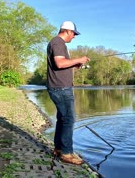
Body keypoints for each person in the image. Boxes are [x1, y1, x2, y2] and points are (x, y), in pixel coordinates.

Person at [46, 21, 90, 165]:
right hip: (61, 89)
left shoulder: (56, 43)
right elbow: (59, 63)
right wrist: (80, 59)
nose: (74, 37)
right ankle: (67, 153)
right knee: (69, 119)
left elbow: (62, 64)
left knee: (63, 119)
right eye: (74, 34)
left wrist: (74, 64)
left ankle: (58, 149)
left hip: (59, 87)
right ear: (67, 31)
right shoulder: (58, 43)